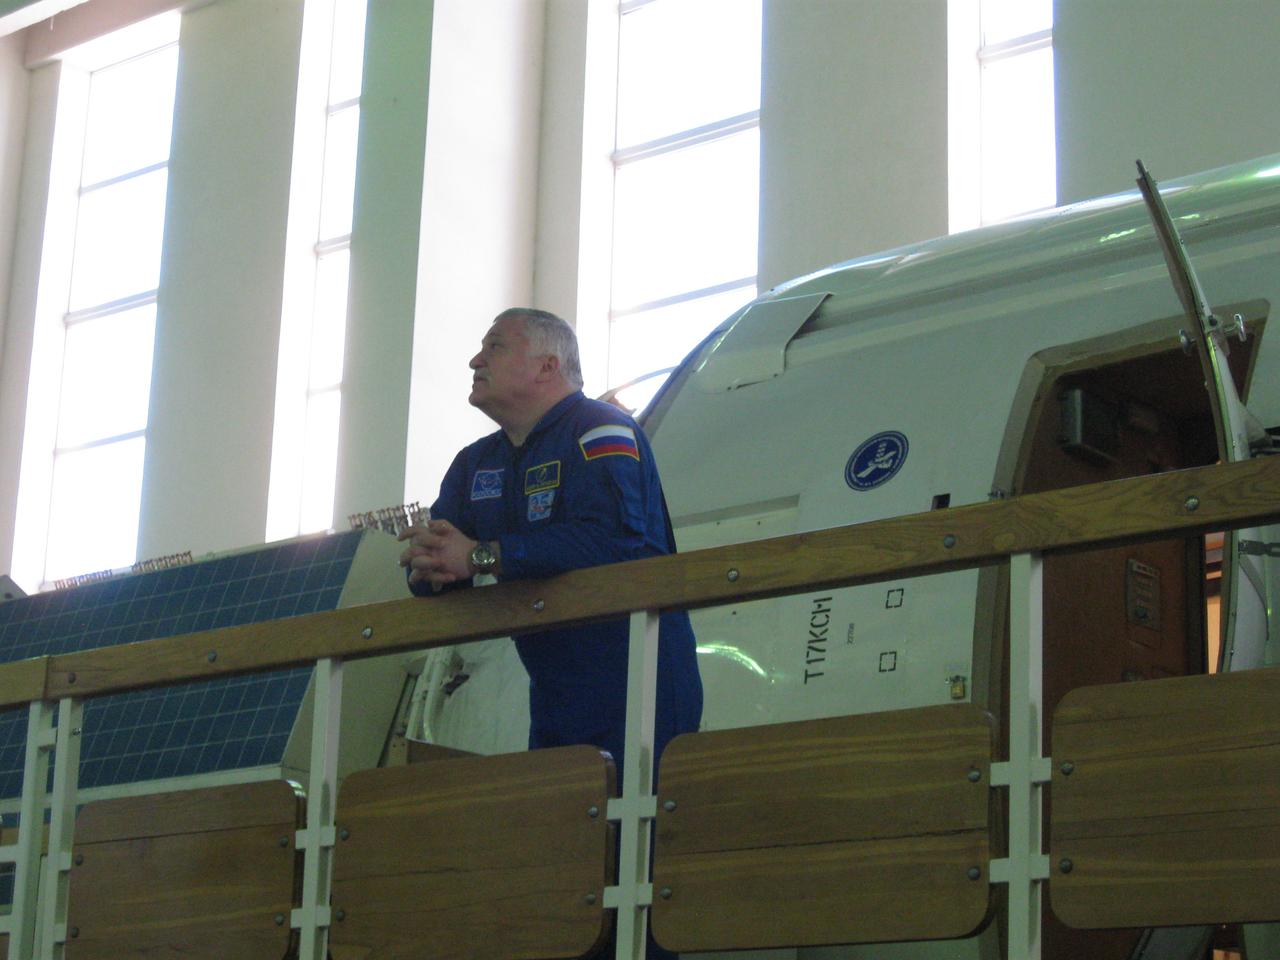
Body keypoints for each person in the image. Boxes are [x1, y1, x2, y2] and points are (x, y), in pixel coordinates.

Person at [397, 306, 703, 781]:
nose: (475, 361)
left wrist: (481, 556)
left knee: (642, 839)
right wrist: (428, 563)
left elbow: (613, 539)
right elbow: (434, 574)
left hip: (640, 682)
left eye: (495, 346)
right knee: (569, 837)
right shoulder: (475, 463)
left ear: (548, 366)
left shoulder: (601, 429)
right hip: (555, 693)